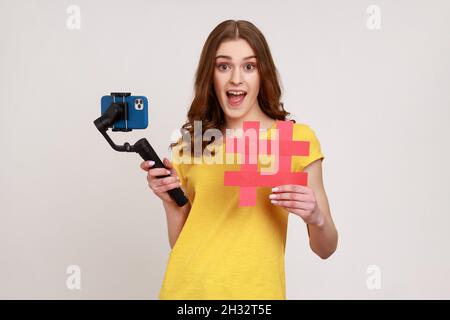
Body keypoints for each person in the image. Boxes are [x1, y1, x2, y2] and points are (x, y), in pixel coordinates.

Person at [139, 20, 338, 300]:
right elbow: (182, 242)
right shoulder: (192, 143)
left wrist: (316, 217)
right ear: (211, 75)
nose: (236, 78)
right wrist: (171, 204)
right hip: (186, 293)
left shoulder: (295, 138)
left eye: (249, 66)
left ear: (262, 73)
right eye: (223, 66)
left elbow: (326, 248)